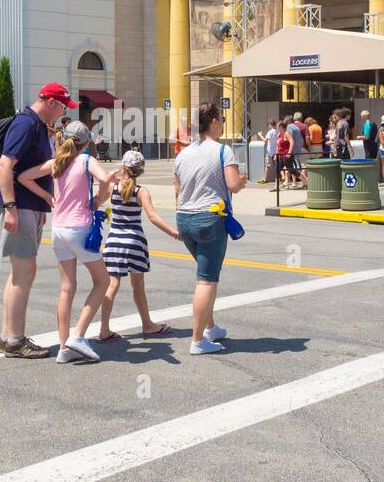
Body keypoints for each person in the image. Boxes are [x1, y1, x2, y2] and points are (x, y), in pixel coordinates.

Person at [18, 120, 115, 363]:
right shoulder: (86, 160)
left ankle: (64, 348)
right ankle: (78, 336)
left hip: (58, 229)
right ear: (87, 142)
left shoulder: (56, 163)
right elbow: (106, 180)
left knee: (66, 287)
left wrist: (48, 197)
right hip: (79, 228)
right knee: (102, 282)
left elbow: (24, 177)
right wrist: (98, 201)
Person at [0, 83, 76, 359]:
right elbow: (5, 165)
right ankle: (15, 341)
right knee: (24, 273)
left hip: (28, 206)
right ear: (52, 102)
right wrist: (10, 207)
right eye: (63, 106)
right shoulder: (27, 123)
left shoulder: (38, 125)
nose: (64, 112)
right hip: (19, 206)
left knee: (18, 274)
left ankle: (8, 336)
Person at [174, 102, 246, 355]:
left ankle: (210, 327)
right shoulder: (223, 151)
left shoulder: (182, 154)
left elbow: (177, 190)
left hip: (185, 217)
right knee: (206, 280)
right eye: (222, 120)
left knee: (206, 272)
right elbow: (233, 184)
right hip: (209, 218)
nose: (223, 124)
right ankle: (197, 340)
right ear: (214, 122)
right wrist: (242, 180)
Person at [96, 150, 179, 341]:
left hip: (114, 241)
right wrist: (173, 233)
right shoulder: (141, 191)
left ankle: (104, 329)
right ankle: (147, 324)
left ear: (122, 166)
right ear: (140, 171)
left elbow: (96, 203)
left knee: (112, 284)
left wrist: (105, 183)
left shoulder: (113, 188)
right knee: (138, 286)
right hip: (134, 241)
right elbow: (153, 217)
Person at [261, 120, 279, 184]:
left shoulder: (270, 132)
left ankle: (265, 179)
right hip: (276, 151)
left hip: (270, 152)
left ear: (271, 125)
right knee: (279, 165)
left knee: (267, 166)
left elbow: (265, 140)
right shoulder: (277, 132)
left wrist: (260, 135)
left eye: (269, 125)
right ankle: (282, 178)